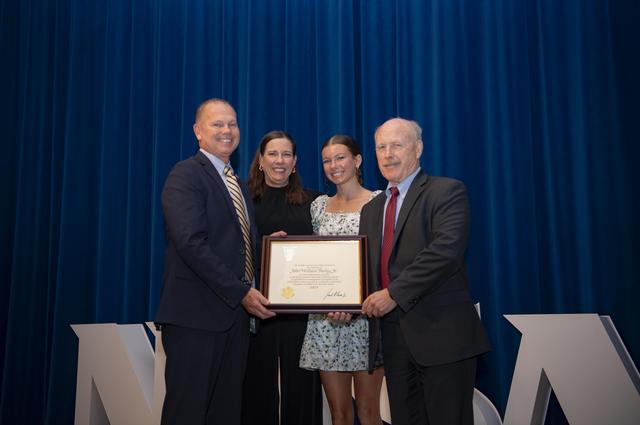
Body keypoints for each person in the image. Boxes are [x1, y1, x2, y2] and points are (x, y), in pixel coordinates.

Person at [360, 118, 491, 425]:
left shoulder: (446, 191)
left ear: (417, 148)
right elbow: (367, 269)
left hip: (442, 336)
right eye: (381, 147)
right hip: (393, 340)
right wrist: (343, 302)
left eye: (397, 145)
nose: (388, 154)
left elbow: (445, 252)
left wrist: (393, 293)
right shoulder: (371, 209)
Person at [155, 98, 275, 425]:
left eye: (232, 124)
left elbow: (235, 246)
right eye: (217, 124)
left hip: (233, 321)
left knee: (225, 413)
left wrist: (272, 252)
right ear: (198, 131)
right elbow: (191, 243)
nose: (227, 131)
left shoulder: (236, 183)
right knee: (187, 413)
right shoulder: (186, 174)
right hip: (195, 319)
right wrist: (241, 292)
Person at [300, 135, 385, 425]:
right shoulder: (318, 206)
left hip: (365, 319)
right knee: (339, 414)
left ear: (357, 160)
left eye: (340, 158)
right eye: (327, 160)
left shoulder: (378, 202)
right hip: (325, 321)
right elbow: (315, 260)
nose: (334, 165)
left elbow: (383, 261)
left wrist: (354, 305)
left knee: (369, 413)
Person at [241, 130, 323, 425]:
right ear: (261, 161)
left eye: (286, 154)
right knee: (255, 387)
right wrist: (264, 247)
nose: (280, 160)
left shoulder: (315, 201)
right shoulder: (243, 200)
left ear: (295, 162)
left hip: (301, 312)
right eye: (273, 154)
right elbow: (229, 248)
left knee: (302, 388)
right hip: (255, 307)